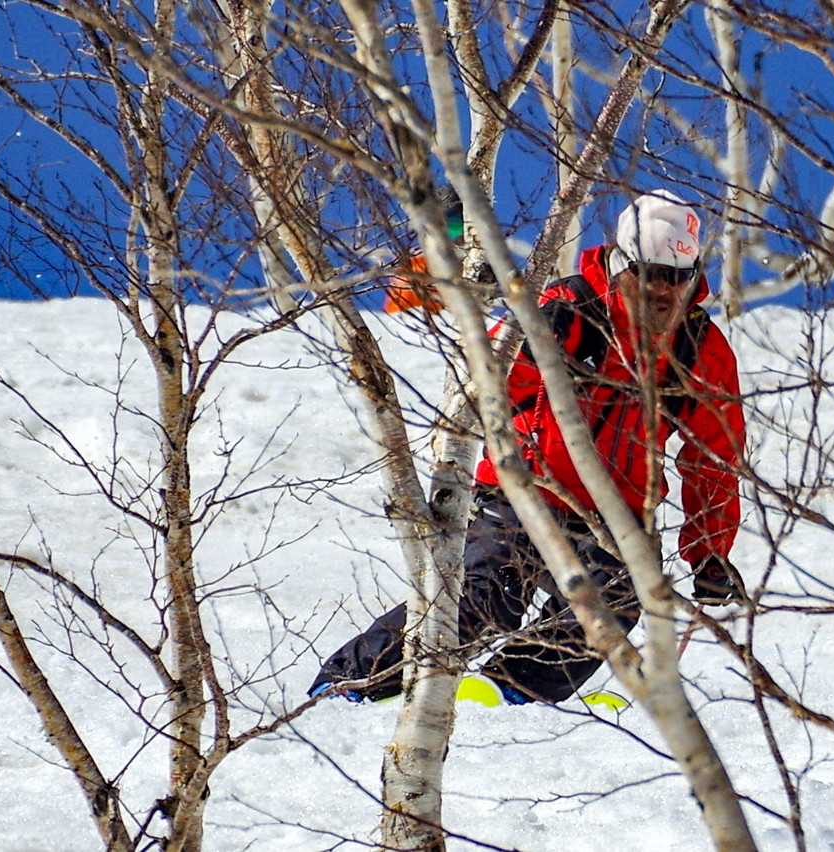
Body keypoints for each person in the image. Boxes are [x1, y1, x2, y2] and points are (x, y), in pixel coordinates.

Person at [311, 190, 747, 705]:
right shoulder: (565, 310)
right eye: (651, 273)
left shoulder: (697, 346)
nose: (663, 291)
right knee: (481, 595)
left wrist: (710, 554)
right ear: (622, 262)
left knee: (620, 598)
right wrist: (531, 348)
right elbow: (477, 390)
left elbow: (712, 457)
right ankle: (348, 685)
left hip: (616, 514)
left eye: (679, 278)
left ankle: (508, 692)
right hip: (521, 493)